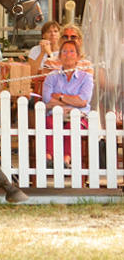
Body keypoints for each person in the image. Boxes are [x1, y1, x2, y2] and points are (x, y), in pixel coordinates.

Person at [42, 40, 94, 168]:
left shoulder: (86, 77)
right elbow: (47, 100)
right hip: (56, 114)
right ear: (59, 56)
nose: (68, 54)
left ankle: (66, 160)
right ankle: (48, 158)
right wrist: (67, 103)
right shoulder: (52, 76)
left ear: (78, 57)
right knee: (49, 122)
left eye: (72, 51)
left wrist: (60, 96)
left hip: (78, 116)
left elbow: (82, 101)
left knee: (72, 126)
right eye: (64, 51)